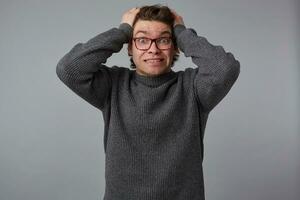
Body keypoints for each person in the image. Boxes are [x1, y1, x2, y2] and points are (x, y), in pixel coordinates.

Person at [56, 5, 240, 200]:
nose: (153, 49)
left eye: (163, 40)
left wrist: (182, 32)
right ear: (129, 46)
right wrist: (122, 31)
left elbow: (225, 68)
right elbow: (68, 69)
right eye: (142, 40)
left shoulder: (193, 88)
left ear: (175, 45)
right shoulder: (113, 85)